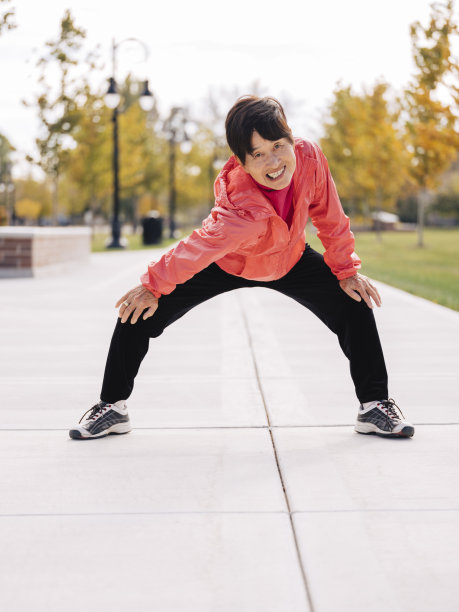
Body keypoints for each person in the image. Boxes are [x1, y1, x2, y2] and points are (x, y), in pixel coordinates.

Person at [69, 95, 414, 441]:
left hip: (290, 258)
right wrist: (153, 285)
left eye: (279, 146)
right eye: (258, 154)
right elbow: (200, 246)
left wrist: (345, 270)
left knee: (355, 302)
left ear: (292, 138)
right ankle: (112, 407)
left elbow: (329, 214)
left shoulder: (310, 157)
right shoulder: (240, 206)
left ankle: (374, 406)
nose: (274, 161)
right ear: (242, 162)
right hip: (230, 262)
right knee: (138, 312)